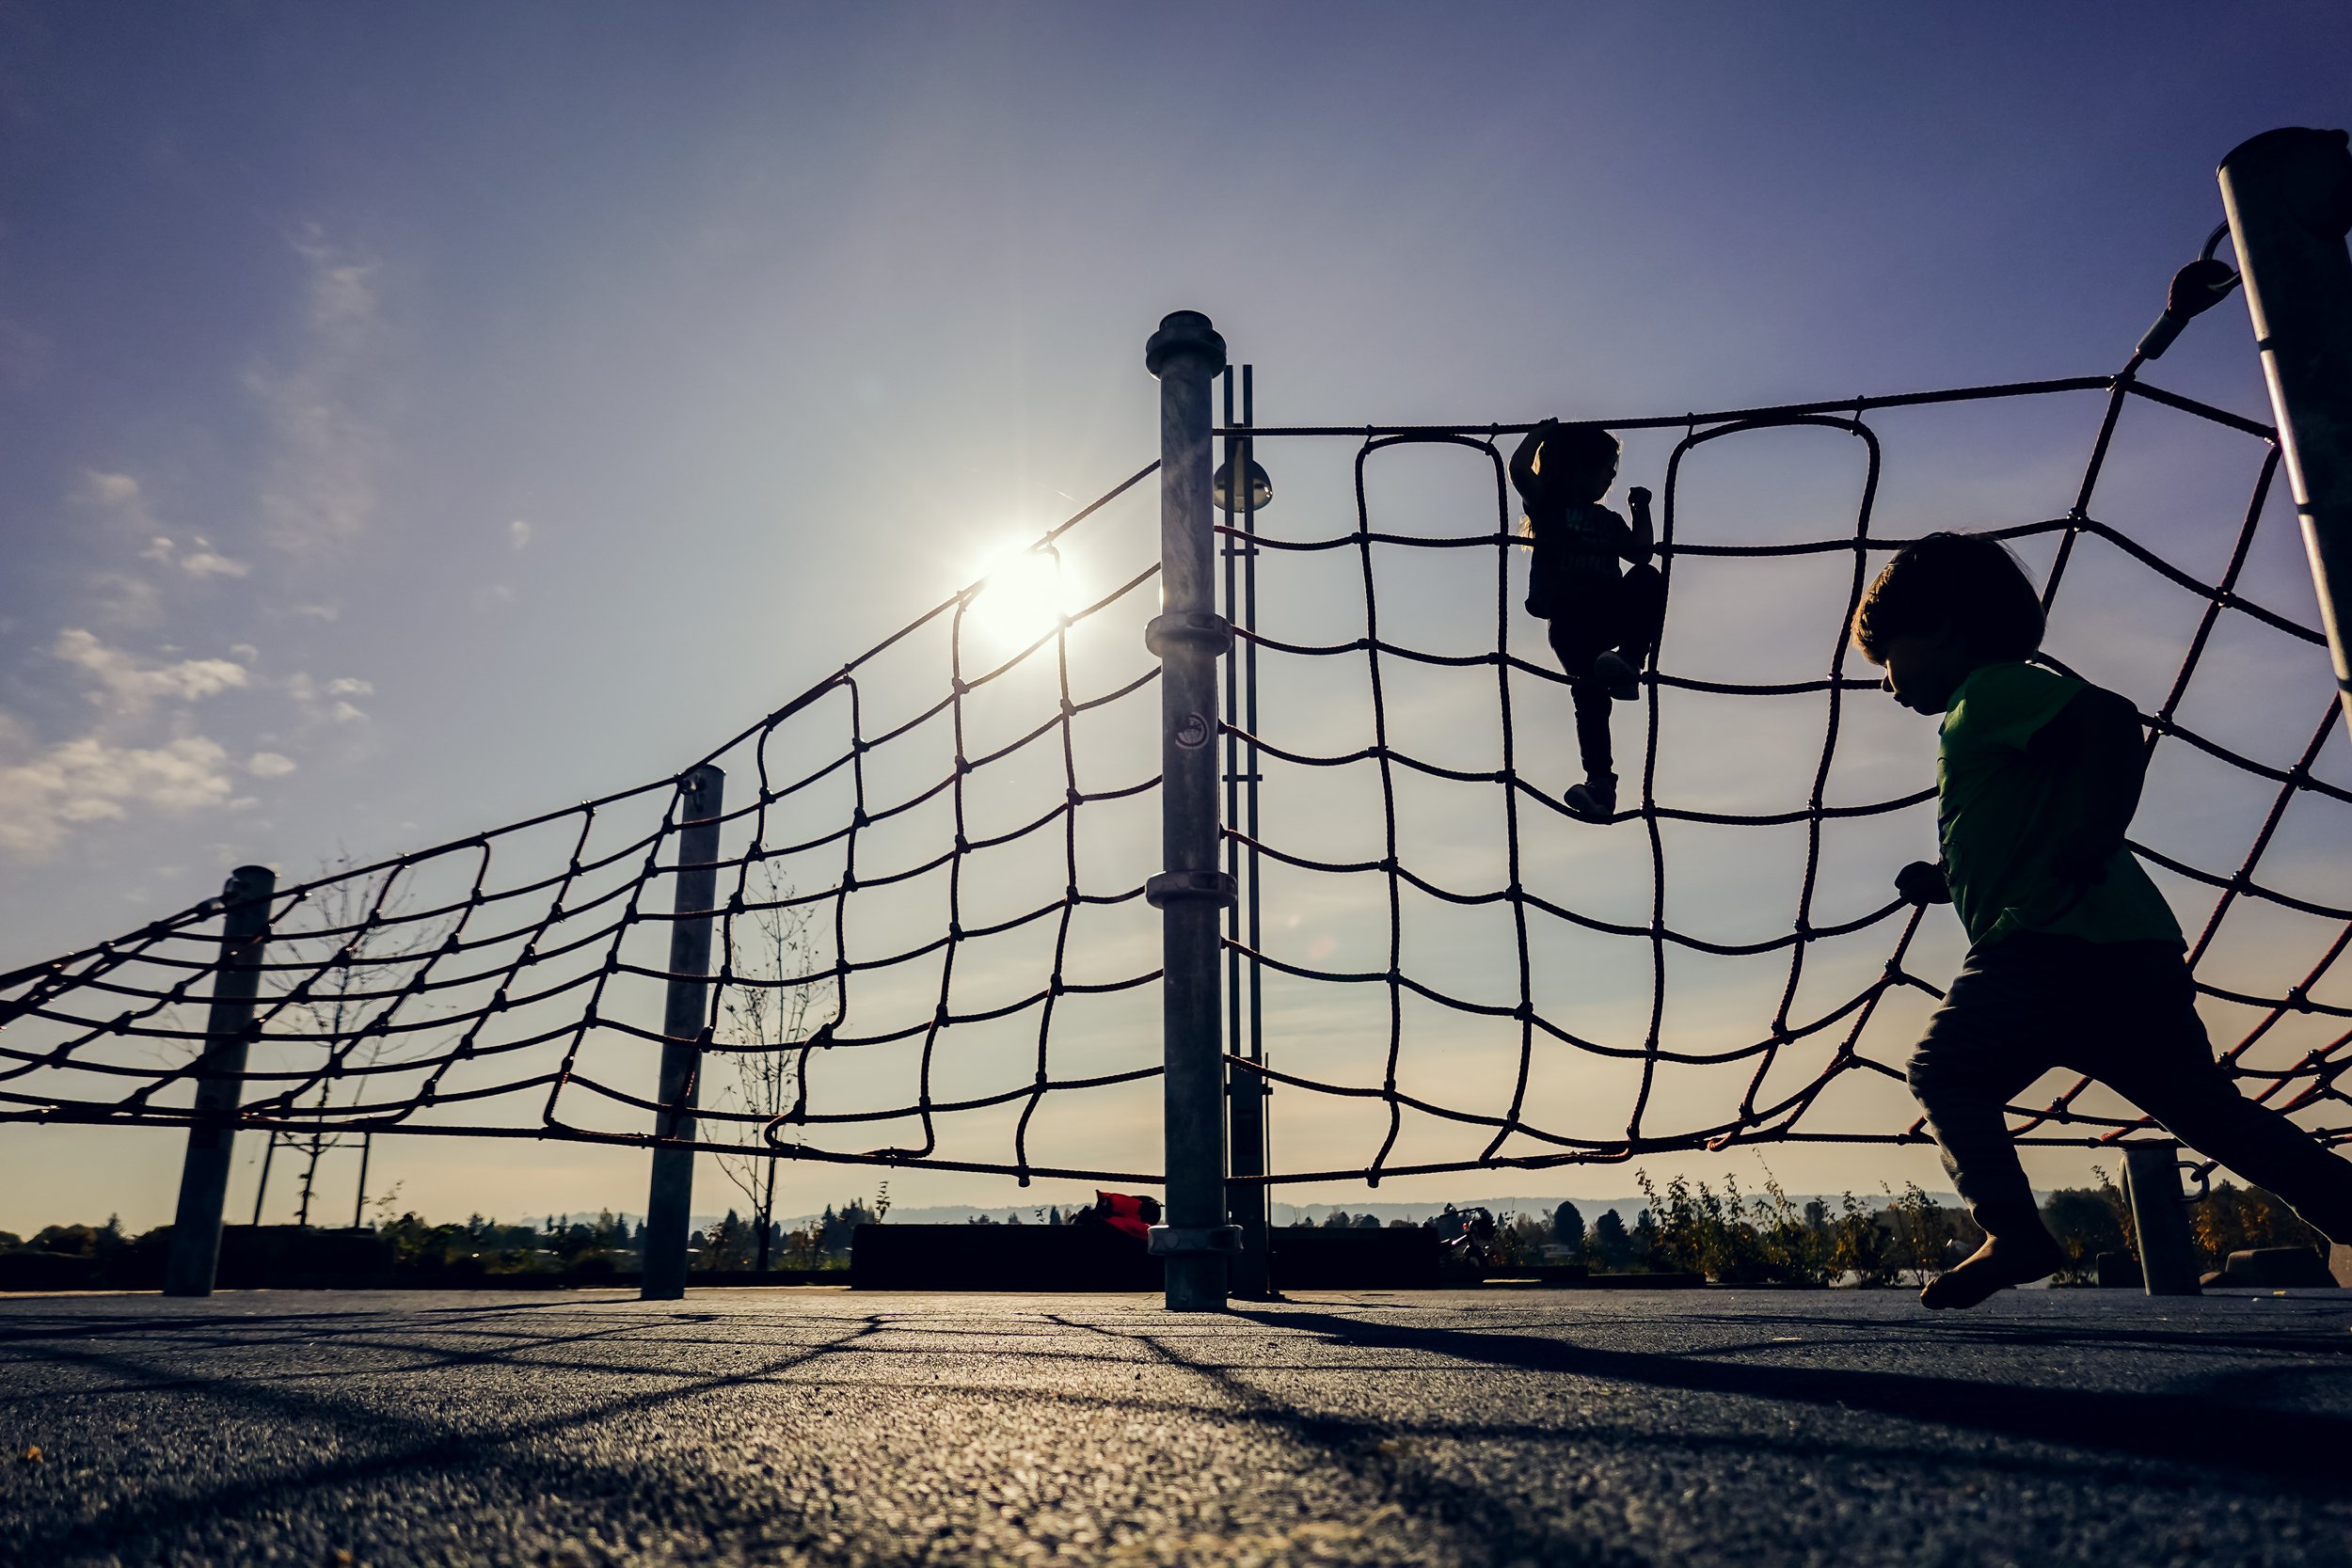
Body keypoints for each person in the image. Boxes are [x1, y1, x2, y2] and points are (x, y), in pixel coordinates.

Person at [1853, 531, 2352, 1309]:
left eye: (1888, 656)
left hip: (2046, 946)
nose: (1886, 682)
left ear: (1944, 629)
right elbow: (2028, 830)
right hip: (2128, 950)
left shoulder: (1987, 693)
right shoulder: (1997, 703)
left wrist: (2096, 832)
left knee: (1945, 1070)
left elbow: (2114, 722)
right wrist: (1950, 880)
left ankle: (2014, 1230)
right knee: (2209, 1113)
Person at [1510, 419, 1664, 820]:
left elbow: (1641, 553)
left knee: (1648, 579)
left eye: (1614, 471)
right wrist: (1543, 433)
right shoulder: (1548, 506)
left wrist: (1640, 509)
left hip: (1609, 610)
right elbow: (1519, 470)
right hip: (1570, 622)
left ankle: (1629, 660)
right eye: (1605, 468)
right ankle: (1601, 785)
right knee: (1588, 695)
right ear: (1574, 466)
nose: (1611, 477)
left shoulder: (1608, 520)